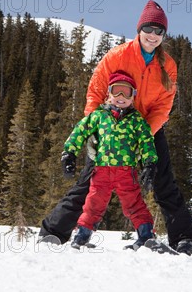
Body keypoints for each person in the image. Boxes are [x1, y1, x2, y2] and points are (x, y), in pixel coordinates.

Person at [40, 0, 192, 255]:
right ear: (139, 29)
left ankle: (184, 238)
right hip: (109, 127)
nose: (153, 35)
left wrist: (141, 136)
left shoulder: (167, 65)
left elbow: (163, 104)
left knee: (163, 181)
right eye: (149, 28)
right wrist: (96, 129)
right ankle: (53, 233)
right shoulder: (118, 56)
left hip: (147, 128)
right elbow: (95, 92)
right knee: (90, 182)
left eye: (159, 31)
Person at [62, 71, 157, 250]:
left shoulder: (137, 121)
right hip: (102, 171)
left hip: (126, 172)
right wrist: (69, 153)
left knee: (134, 204)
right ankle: (82, 235)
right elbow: (79, 131)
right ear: (109, 94)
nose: (121, 97)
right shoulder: (98, 116)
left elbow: (146, 142)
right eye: (117, 91)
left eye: (126, 92)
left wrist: (150, 163)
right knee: (93, 203)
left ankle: (146, 235)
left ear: (133, 96)